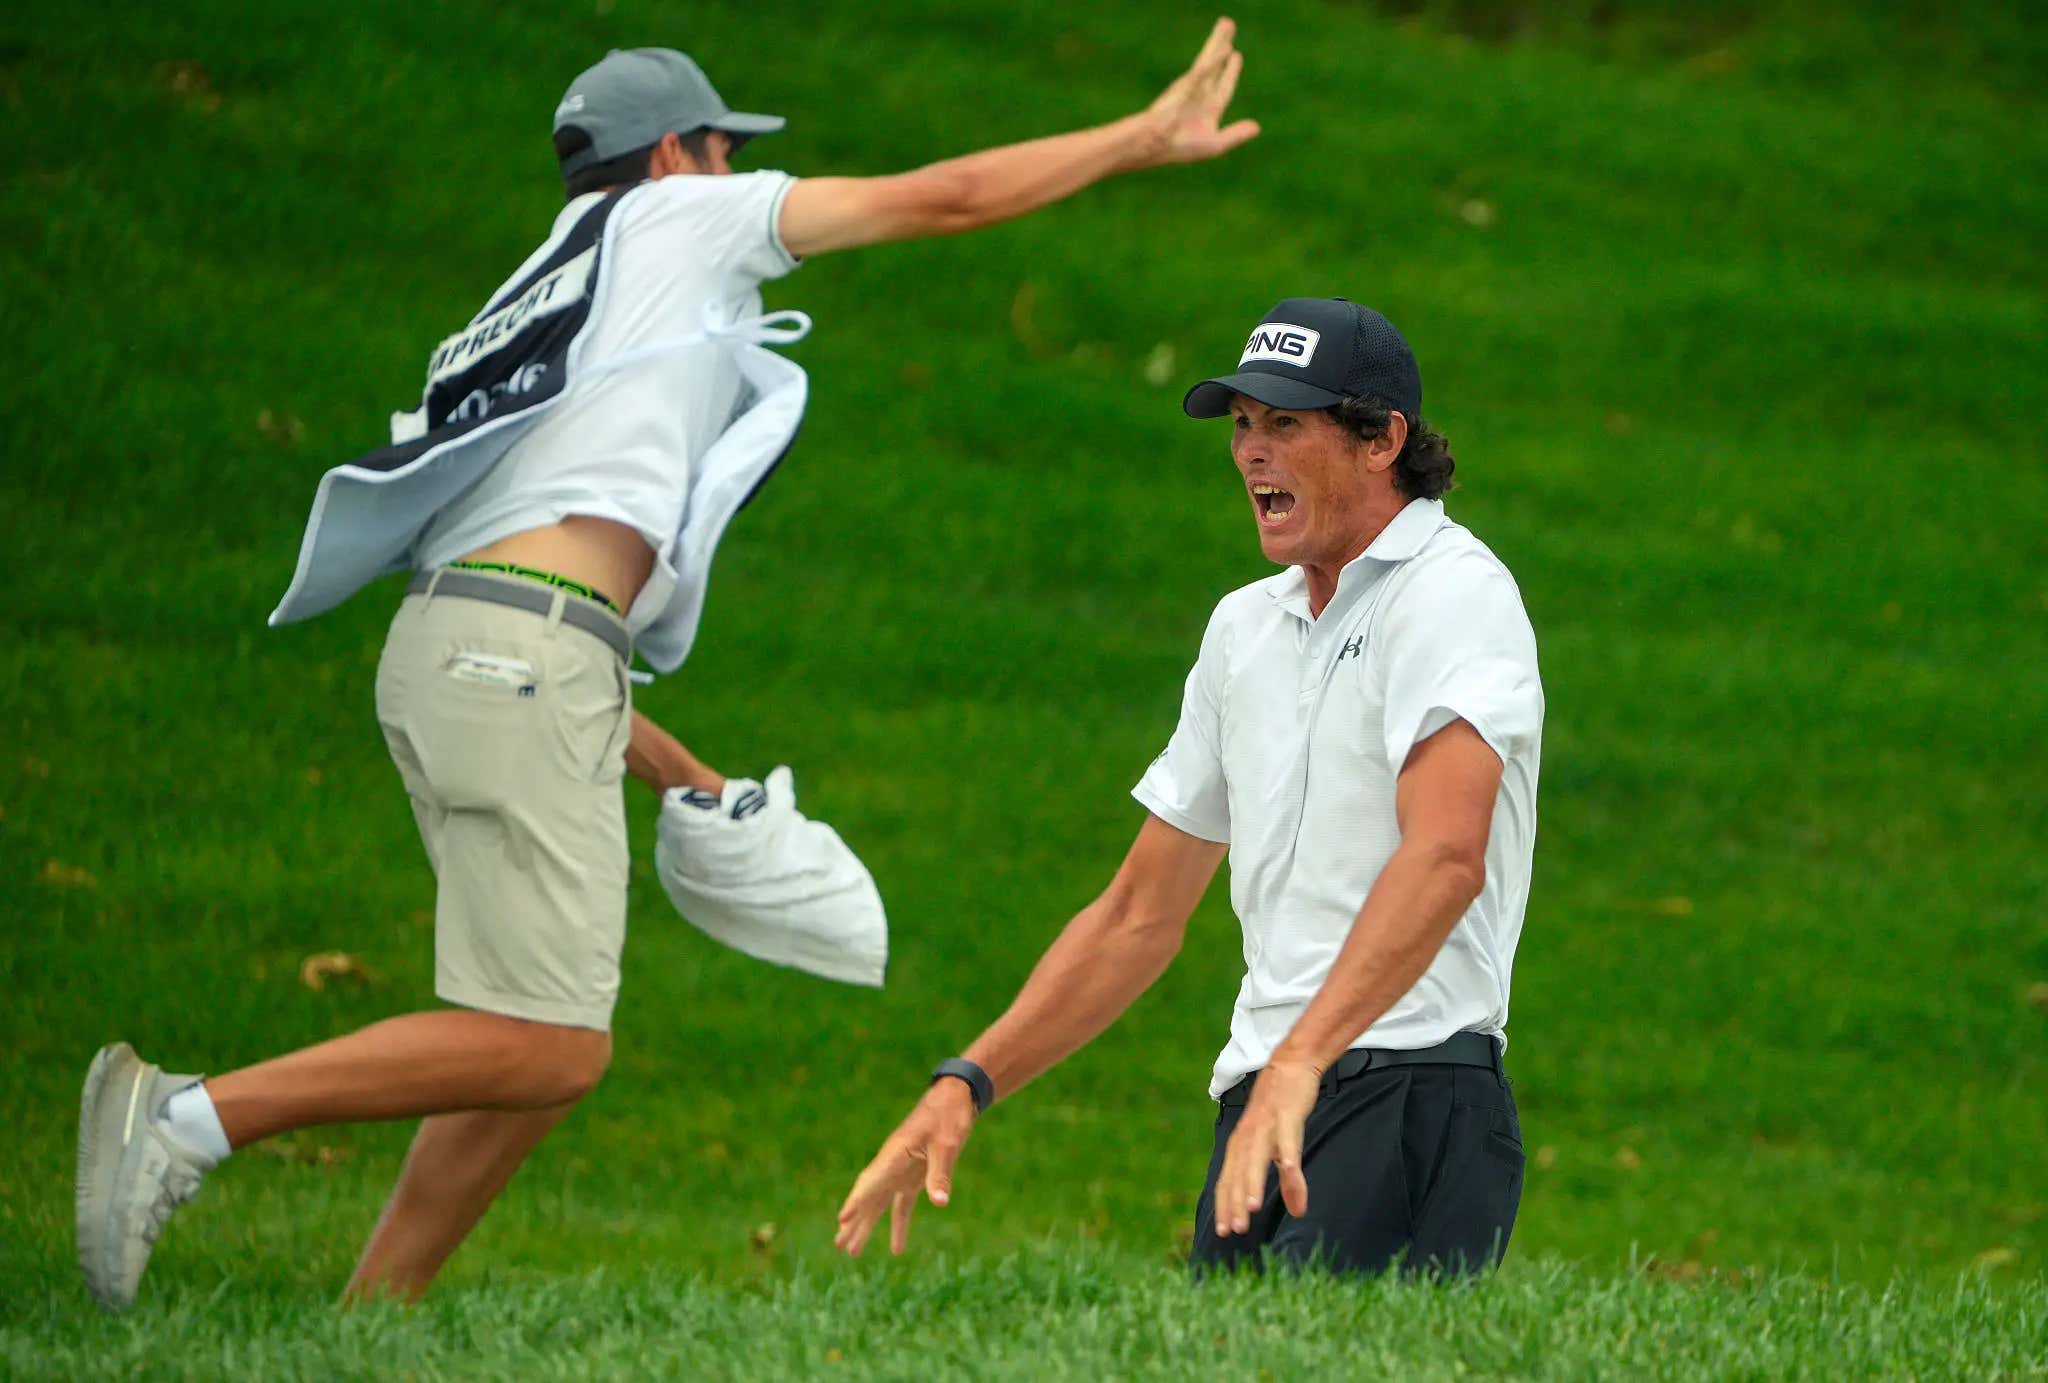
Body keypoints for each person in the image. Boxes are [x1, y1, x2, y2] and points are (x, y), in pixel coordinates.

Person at [75, 24, 1260, 1311]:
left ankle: (380, 1314)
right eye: (720, 151)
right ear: (675, 155)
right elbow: (945, 197)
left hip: (472, 653)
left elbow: (515, 571)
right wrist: (1139, 139)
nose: (733, 175)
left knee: (519, 1026)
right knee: (551, 1045)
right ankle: (186, 1118)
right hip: (514, 661)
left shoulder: (530, 297)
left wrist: (683, 771)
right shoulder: (677, 222)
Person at [835, 297, 1543, 1277]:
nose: (1250, 452)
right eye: (1242, 426)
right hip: (1261, 1096)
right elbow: (1137, 913)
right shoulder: (1241, 630)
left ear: (1381, 439)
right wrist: (967, 1081)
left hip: (1411, 1086)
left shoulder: (1452, 593)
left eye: (1284, 425)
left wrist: (1304, 1057)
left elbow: (1445, 855)